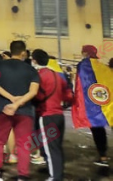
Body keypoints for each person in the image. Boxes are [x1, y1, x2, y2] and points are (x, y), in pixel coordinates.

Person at [0, 40, 40, 181]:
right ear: (23, 53)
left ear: (10, 51)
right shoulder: (31, 69)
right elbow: (33, 92)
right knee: (23, 144)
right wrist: (18, 103)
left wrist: (10, 99)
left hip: (3, 109)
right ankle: (22, 176)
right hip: (25, 112)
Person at [32, 49, 72, 181]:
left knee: (51, 150)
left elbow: (36, 95)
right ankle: (56, 174)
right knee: (57, 148)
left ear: (35, 61)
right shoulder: (57, 75)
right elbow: (69, 96)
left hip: (47, 115)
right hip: (59, 115)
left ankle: (55, 177)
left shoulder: (39, 76)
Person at [80, 45, 110, 166]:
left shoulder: (83, 66)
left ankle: (103, 156)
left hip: (91, 105)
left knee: (98, 130)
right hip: (105, 103)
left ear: (85, 53)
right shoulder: (102, 67)